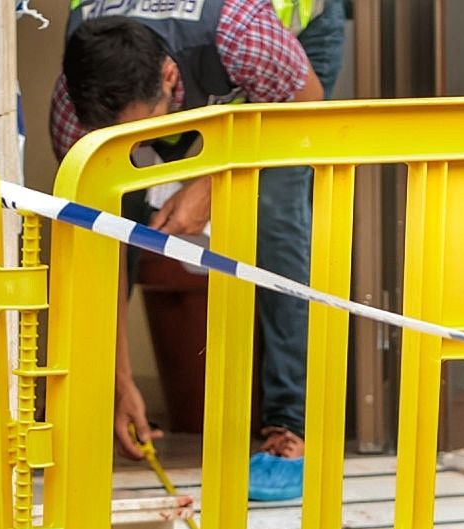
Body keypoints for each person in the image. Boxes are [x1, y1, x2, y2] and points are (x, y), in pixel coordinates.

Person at [52, 0, 346, 502]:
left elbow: (305, 109)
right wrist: (119, 384)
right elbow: (102, 241)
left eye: (142, 127)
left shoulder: (245, 33)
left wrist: (210, 185)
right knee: (117, 214)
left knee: (274, 211)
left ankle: (288, 427)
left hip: (292, 36)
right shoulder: (73, 106)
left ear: (169, 78)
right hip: (204, 59)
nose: (137, 143)